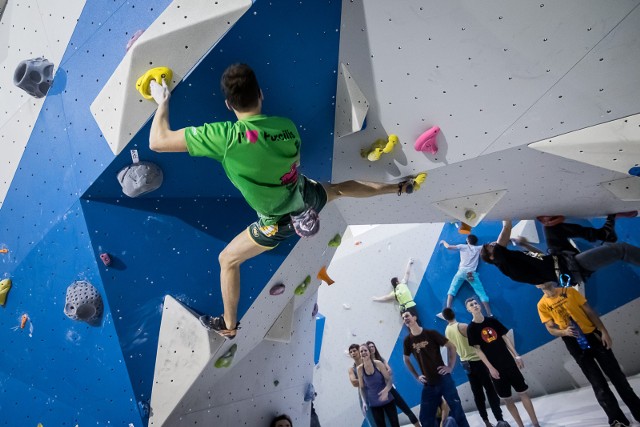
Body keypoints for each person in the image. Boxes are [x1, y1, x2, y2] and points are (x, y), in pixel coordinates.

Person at [148, 63, 427, 337]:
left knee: (228, 260)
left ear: (228, 105)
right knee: (340, 189)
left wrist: (163, 101)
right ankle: (398, 188)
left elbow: (158, 142)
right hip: (305, 195)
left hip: (277, 222)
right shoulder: (286, 127)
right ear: (261, 94)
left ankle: (229, 326)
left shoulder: (226, 137)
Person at [536, 281, 640, 427]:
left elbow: (589, 311)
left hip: (593, 336)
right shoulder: (542, 305)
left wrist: (603, 331)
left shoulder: (570, 291)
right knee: (598, 383)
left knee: (617, 377)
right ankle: (616, 419)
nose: (542, 282)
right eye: (538, 282)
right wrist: (563, 332)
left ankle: (638, 411)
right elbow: (550, 328)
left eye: (543, 279)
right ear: (536, 286)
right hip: (574, 342)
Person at [480, 219, 640, 287]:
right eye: (490, 247)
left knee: (551, 227)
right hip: (571, 268)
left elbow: (541, 257)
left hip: (560, 257)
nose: (493, 244)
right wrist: (504, 214)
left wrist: (526, 245)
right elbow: (506, 228)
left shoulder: (509, 260)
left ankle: (603, 234)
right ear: (492, 257)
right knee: (621, 249)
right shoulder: (503, 263)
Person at [466, 298, 539, 427]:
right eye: (471, 305)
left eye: (476, 303)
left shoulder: (492, 321)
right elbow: (478, 351)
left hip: (509, 364)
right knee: (507, 399)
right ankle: (520, 425)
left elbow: (505, 337)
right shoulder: (471, 328)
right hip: (496, 370)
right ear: (468, 309)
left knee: (523, 392)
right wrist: (490, 368)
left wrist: (516, 356)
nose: (475, 305)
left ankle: (535, 423)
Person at [401, 310, 470, 427]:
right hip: (429, 383)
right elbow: (406, 360)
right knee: (425, 417)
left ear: (414, 317)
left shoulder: (431, 333)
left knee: (457, 410)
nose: (405, 319)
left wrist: (450, 367)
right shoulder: (408, 341)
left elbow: (451, 347)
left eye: (407, 316)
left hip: (444, 379)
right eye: (403, 318)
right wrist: (417, 376)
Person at [441, 308, 505, 427]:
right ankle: (499, 418)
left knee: (477, 393)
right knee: (490, 390)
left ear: (445, 318)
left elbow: (453, 348)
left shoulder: (447, 331)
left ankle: (485, 421)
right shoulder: (464, 327)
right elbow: (477, 344)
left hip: (465, 364)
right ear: (454, 313)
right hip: (478, 361)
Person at [367, 341, 421, 427]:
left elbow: (389, 371)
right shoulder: (368, 364)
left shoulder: (381, 359)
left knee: (405, 408)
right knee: (389, 419)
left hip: (390, 388)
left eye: (373, 346)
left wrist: (383, 373)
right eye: (369, 347)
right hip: (379, 394)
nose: (372, 348)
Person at [440, 235, 493, 317]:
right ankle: (489, 314)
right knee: (481, 293)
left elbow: (448, 247)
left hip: (461, 272)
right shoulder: (478, 248)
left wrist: (443, 242)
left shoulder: (462, 246)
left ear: (467, 240)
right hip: (470, 273)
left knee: (452, 290)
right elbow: (492, 244)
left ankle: (447, 312)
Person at [357, 344, 400, 427]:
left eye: (365, 350)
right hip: (374, 404)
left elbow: (389, 380)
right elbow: (362, 388)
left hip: (388, 401)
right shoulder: (359, 369)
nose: (363, 352)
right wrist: (364, 402)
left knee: (395, 425)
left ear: (369, 352)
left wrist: (386, 390)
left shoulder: (378, 364)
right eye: (361, 351)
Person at [349, 343, 377, 427]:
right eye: (351, 352)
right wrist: (368, 377)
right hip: (364, 396)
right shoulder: (351, 369)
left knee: (384, 417)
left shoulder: (370, 362)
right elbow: (354, 382)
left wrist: (361, 379)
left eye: (354, 351)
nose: (353, 353)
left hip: (376, 392)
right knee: (371, 419)